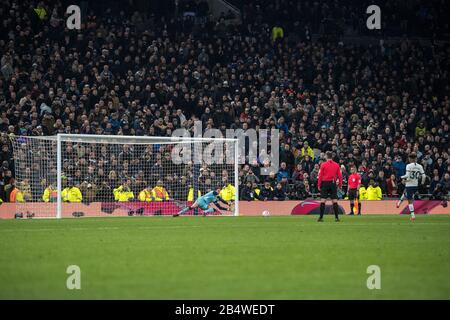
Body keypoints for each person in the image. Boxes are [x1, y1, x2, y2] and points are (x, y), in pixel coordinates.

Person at [317, 151, 343, 222]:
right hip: (333, 183)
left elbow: (320, 176)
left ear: (326, 156)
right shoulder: (336, 165)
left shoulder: (323, 165)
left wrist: (319, 185)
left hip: (325, 183)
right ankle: (337, 218)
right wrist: (340, 184)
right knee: (334, 201)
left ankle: (321, 218)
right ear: (332, 157)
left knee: (323, 201)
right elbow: (340, 176)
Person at [400, 152, 425, 221]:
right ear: (416, 158)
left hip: (409, 185)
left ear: (410, 158)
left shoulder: (408, 166)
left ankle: (413, 215)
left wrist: (401, 177)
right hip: (416, 185)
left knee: (410, 201)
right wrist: (422, 183)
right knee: (408, 195)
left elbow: (407, 176)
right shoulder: (420, 166)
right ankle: (399, 203)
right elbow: (424, 176)